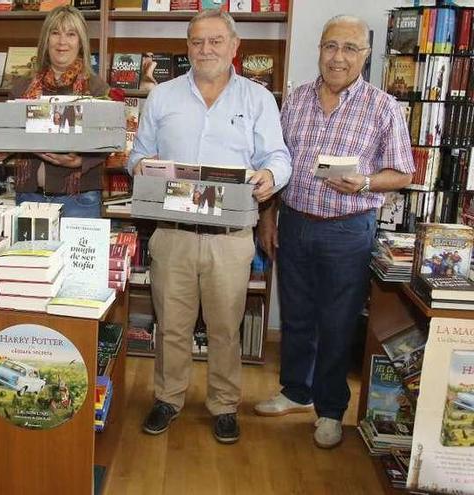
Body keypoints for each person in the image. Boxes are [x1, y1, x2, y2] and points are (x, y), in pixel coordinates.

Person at [128, 9, 291, 443]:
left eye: (216, 41)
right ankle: (168, 398)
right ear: (187, 48)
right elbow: (137, 153)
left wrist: (270, 177)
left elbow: (278, 156)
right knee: (173, 327)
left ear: (235, 47)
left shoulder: (258, 100)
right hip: (173, 236)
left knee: (224, 329)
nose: (206, 49)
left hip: (230, 239)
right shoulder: (161, 97)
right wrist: (141, 164)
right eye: (197, 41)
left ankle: (223, 405)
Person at [254, 15, 414, 449]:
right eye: (330, 46)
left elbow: (402, 172)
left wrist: (363, 181)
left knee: (338, 321)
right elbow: (276, 161)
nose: (337, 57)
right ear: (319, 50)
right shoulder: (296, 99)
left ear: (365, 56)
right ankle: (294, 391)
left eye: (349, 48)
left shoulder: (383, 107)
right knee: (298, 316)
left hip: (348, 230)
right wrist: (268, 217)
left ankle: (329, 409)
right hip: (296, 222)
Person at [0, 5, 110, 218]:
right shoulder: (21, 88)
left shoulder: (96, 89)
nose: (62, 41)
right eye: (55, 33)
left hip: (80, 199)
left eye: (70, 34)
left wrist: (81, 161)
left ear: (80, 41)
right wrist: (0, 150)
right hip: (30, 198)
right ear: (46, 40)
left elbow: (109, 141)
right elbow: (5, 135)